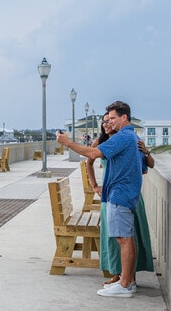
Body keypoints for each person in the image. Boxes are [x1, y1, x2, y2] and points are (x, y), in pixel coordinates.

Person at [56, 100, 144, 298]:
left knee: (124, 240)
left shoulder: (123, 137)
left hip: (119, 195)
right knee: (126, 238)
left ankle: (124, 285)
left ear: (124, 118)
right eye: (108, 119)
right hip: (123, 194)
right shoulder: (129, 137)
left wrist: (68, 143)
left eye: (113, 118)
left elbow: (94, 153)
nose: (109, 122)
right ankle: (127, 282)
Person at [85, 113, 154, 286]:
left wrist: (146, 152)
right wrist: (94, 186)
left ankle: (129, 276)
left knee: (131, 236)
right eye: (104, 122)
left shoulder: (129, 140)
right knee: (114, 237)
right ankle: (118, 274)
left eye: (110, 120)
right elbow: (89, 162)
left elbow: (148, 167)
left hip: (129, 195)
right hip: (111, 194)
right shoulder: (102, 143)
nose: (107, 124)